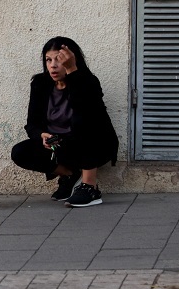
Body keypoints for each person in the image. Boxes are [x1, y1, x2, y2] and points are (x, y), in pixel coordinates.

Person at [11, 37, 118, 207]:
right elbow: (31, 123)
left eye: (59, 60)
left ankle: (90, 187)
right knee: (20, 152)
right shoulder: (40, 84)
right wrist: (42, 135)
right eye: (48, 60)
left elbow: (88, 114)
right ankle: (69, 175)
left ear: (71, 60)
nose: (53, 65)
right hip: (59, 145)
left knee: (86, 124)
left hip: (94, 144)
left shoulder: (88, 82)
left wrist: (72, 70)